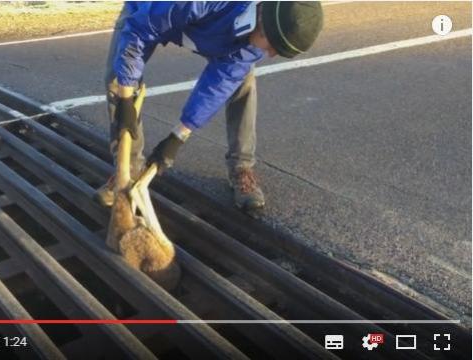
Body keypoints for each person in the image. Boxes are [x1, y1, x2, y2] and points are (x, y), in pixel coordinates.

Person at [96, 1, 323, 218]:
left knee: (242, 79)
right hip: (149, 11)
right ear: (262, 21)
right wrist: (126, 99)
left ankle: (241, 166)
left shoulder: (255, 40)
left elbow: (218, 84)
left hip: (213, 28)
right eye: (274, 47)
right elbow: (140, 29)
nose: (271, 54)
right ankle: (128, 170)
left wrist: (178, 137)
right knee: (118, 80)